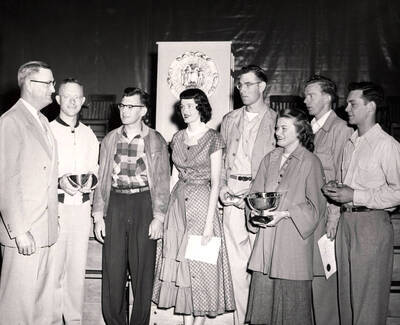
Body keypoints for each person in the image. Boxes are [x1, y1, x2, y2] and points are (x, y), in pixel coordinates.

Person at [154, 88, 235, 325]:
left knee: (201, 265)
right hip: (178, 205)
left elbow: (216, 181)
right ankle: (187, 321)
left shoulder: (213, 138)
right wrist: (165, 211)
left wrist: (210, 224)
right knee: (183, 266)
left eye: (190, 106)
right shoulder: (177, 138)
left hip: (202, 207)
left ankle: (199, 322)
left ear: (201, 107)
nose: (185, 111)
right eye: (182, 106)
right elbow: (173, 177)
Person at [323, 82, 400, 325]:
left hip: (372, 226)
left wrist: (355, 195)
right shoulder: (350, 144)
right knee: (347, 300)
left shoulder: (387, 145)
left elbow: (398, 192)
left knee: (367, 302)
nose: (346, 108)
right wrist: (335, 192)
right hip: (347, 223)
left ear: (371, 106)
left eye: (353, 103)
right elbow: (349, 187)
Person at [92, 87, 170, 325]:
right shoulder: (110, 139)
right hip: (115, 203)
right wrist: (98, 216)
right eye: (122, 106)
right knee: (112, 270)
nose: (124, 111)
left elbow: (163, 180)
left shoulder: (155, 140)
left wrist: (158, 216)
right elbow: (102, 177)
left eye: (130, 107)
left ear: (143, 111)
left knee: (143, 271)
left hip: (143, 203)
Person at [245, 107, 326, 325]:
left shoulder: (311, 162)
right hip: (267, 244)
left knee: (293, 312)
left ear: (300, 131)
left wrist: (286, 213)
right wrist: (254, 212)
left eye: (283, 128)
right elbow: (254, 195)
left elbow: (317, 208)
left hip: (293, 246)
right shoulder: (269, 159)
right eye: (276, 128)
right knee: (263, 310)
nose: (277, 132)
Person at [0, 60, 59, 324]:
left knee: (41, 304)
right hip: (23, 231)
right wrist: (20, 230)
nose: (53, 89)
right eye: (49, 83)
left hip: (44, 229)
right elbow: (5, 180)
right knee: (17, 305)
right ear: (30, 85)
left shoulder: (43, 120)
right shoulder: (11, 121)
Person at [219, 65, 276, 324]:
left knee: (261, 265)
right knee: (235, 265)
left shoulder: (276, 121)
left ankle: (261, 318)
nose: (242, 89)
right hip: (231, 194)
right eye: (239, 85)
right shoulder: (230, 119)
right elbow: (219, 159)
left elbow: (279, 165)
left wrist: (255, 196)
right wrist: (221, 187)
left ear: (262, 87)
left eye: (248, 84)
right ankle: (242, 320)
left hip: (259, 199)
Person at [303, 75, 352, 325]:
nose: (305, 100)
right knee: (308, 280)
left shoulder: (341, 130)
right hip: (306, 214)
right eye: (305, 95)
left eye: (311, 95)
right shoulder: (307, 128)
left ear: (328, 97)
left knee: (325, 280)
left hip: (326, 216)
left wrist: (334, 217)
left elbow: (343, 177)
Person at [50, 78, 99, 324]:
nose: (72, 101)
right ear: (57, 99)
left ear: (83, 101)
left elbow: (96, 169)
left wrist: (92, 180)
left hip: (81, 210)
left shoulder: (89, 135)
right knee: (52, 273)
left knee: (76, 272)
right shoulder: (46, 130)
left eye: (77, 97)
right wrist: (58, 182)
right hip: (54, 210)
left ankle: (74, 320)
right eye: (66, 96)